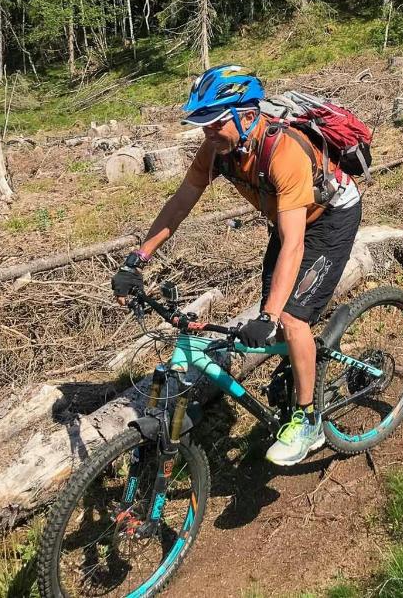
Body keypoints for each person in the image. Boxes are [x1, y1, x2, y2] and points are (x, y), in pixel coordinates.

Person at [111, 64, 362, 466]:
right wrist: (136, 260)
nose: (206, 133)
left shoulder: (283, 153)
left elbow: (295, 245)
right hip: (289, 217)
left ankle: (308, 419)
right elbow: (180, 203)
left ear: (247, 116)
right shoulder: (218, 149)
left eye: (213, 124)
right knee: (274, 310)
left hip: (328, 218)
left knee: (291, 317)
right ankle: (299, 373)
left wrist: (271, 314)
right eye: (203, 125)